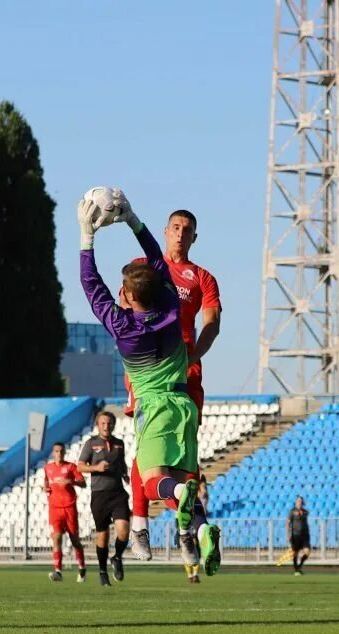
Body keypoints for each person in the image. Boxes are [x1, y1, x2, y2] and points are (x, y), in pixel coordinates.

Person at [79, 189, 220, 576]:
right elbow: (158, 261)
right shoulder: (174, 309)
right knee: (182, 472)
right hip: (184, 398)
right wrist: (132, 220)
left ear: (126, 296)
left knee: (157, 475)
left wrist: (86, 236)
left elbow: (92, 287)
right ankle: (201, 531)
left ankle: (147, 522)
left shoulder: (123, 327)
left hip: (153, 400)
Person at [122, 209, 222, 565]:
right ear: (165, 231)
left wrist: (194, 352)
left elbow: (212, 322)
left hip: (185, 371)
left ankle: (188, 530)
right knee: (145, 450)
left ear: (195, 237)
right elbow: (126, 302)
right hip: (150, 368)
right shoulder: (145, 266)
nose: (181, 233)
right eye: (176, 227)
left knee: (185, 457)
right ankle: (150, 526)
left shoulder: (203, 278)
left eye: (188, 230)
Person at [77, 411, 130, 586]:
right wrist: (96, 468)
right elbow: (80, 466)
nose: (106, 426)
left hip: (118, 493)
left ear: (113, 425)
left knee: (123, 529)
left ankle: (117, 557)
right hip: (99, 495)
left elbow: (121, 464)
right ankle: (102, 572)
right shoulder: (91, 444)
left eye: (109, 423)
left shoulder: (119, 444)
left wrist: (125, 474)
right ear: (98, 425)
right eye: (103, 423)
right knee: (103, 536)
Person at [43, 441, 87, 582]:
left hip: (69, 507)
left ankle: (81, 567)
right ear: (53, 453)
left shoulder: (71, 467)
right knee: (56, 538)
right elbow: (46, 481)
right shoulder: (47, 468)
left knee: (75, 541)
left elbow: (83, 483)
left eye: (61, 451)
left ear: (64, 452)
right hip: (54, 509)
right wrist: (45, 488)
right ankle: (58, 571)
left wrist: (71, 482)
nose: (59, 453)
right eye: (56, 451)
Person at [287, 496, 311, 575]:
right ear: (296, 502)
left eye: (301, 501)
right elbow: (288, 522)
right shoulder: (292, 511)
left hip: (305, 536)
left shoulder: (305, 512)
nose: (299, 502)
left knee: (307, 552)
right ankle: (296, 569)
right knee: (295, 553)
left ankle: (300, 565)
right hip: (295, 535)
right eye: (298, 501)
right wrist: (288, 534)